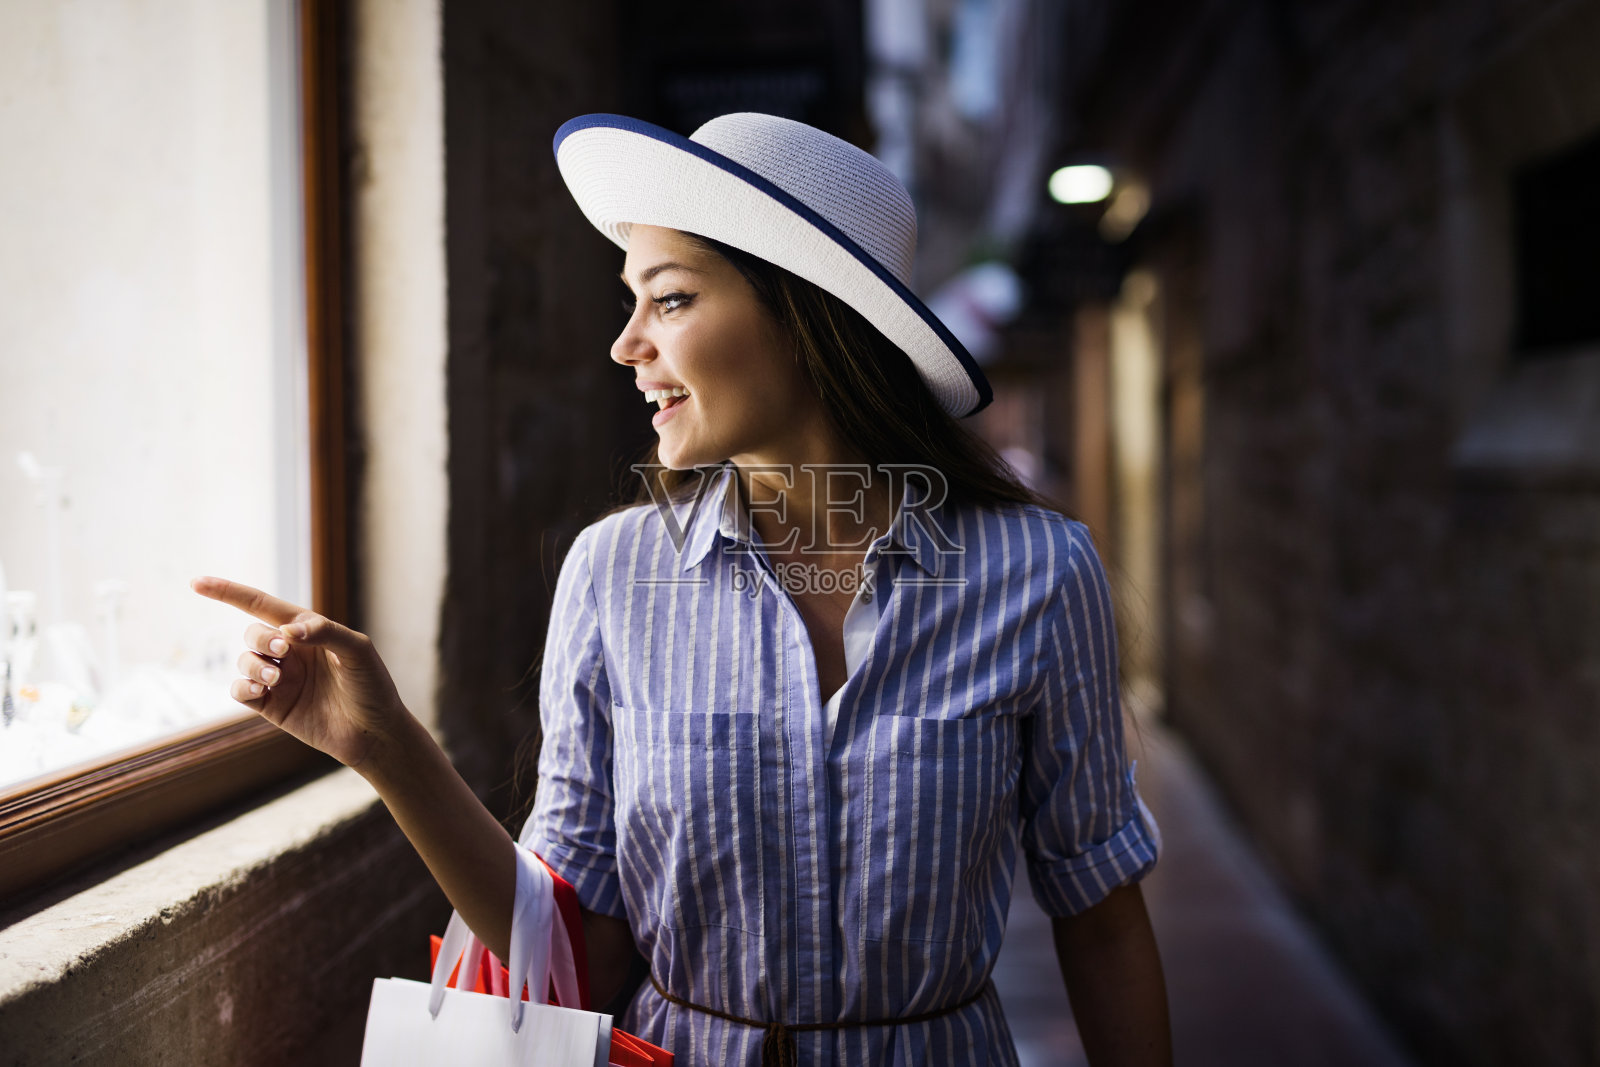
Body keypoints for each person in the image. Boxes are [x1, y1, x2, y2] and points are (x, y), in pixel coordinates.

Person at [195, 111, 1171, 1066]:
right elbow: (572, 954)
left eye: (668, 299)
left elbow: (1101, 918)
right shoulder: (612, 574)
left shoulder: (1037, 572)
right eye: (634, 302)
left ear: (806, 315)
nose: (626, 344)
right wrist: (387, 749)